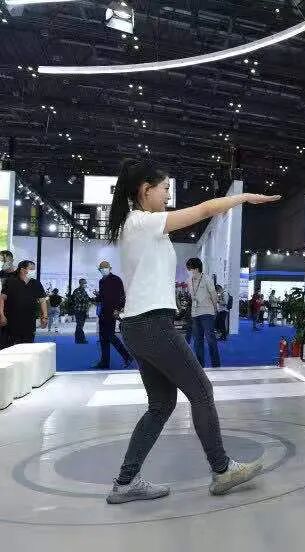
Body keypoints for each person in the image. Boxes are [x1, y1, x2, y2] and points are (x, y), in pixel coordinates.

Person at [102, 159, 278, 504]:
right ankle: (222, 470)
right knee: (201, 391)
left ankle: (125, 482)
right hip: (151, 323)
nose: (168, 195)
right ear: (145, 190)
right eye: (165, 188)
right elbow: (203, 210)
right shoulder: (142, 222)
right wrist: (243, 198)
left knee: (161, 404)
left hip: (139, 325)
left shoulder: (138, 225)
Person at [93, 261, 133, 369]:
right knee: (103, 338)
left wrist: (118, 309)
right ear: (99, 270)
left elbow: (121, 295)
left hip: (112, 312)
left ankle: (127, 356)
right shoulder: (101, 281)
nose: (103, 269)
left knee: (110, 336)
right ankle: (104, 362)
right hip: (103, 311)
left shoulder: (116, 279)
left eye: (105, 267)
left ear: (110, 268)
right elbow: (102, 296)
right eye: (101, 268)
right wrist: (96, 297)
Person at [0, 260, 48, 346]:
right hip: (12, 322)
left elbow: (42, 301)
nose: (34, 271)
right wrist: (2, 315)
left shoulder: (36, 283)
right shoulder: (10, 282)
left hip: (29, 323)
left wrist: (45, 316)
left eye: (34, 269)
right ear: (22, 270)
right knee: (12, 347)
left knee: (28, 347)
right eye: (31, 269)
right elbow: (2, 299)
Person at [186, 258, 221, 368]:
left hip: (207, 313)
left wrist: (215, 309)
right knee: (197, 341)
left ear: (196, 269)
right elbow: (192, 297)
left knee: (210, 339)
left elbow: (214, 295)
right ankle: (200, 366)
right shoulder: (189, 281)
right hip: (195, 313)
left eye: (189, 269)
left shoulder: (207, 279)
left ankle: (216, 365)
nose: (188, 271)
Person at [71, 278, 93, 344]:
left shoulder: (84, 291)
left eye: (86, 283)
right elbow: (81, 299)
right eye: (84, 283)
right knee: (79, 325)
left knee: (80, 325)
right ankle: (81, 339)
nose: (85, 284)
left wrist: (92, 299)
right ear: (80, 283)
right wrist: (88, 299)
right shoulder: (77, 291)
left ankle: (78, 339)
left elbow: (88, 299)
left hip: (83, 310)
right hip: (79, 310)